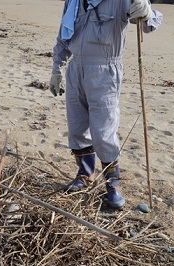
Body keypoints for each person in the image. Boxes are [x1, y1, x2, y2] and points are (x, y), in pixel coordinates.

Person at [49, 0, 163, 209]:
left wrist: (146, 14)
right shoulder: (73, 1)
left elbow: (148, 24)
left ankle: (112, 185)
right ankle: (85, 174)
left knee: (103, 133)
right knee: (77, 128)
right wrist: (57, 68)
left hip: (105, 71)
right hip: (76, 69)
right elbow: (63, 34)